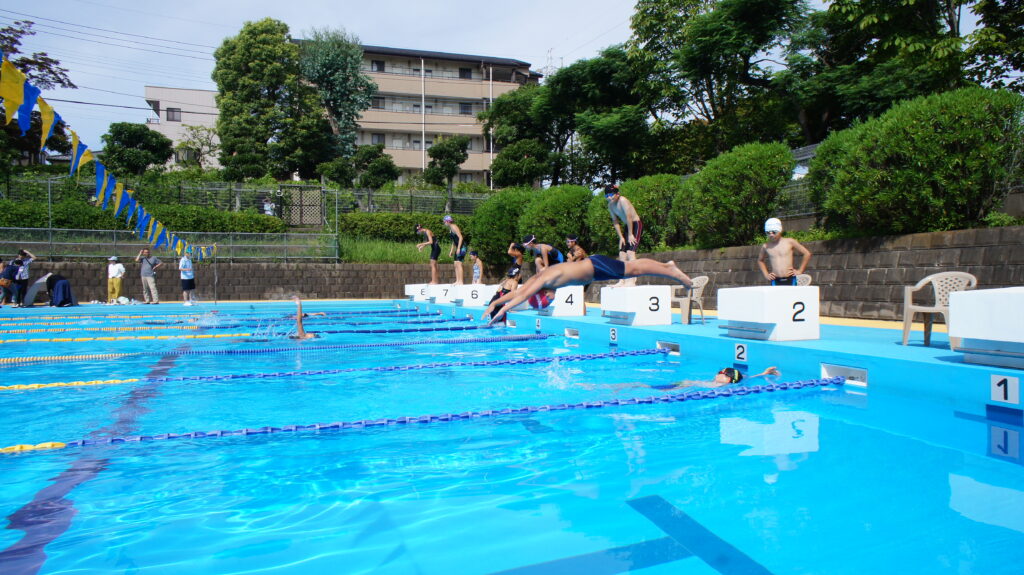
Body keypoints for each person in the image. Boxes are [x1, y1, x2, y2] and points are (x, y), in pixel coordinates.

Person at [483, 255, 692, 324]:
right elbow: (518, 292)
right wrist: (495, 303)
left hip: (595, 266)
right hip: (595, 271)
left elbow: (523, 296)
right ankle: (668, 268)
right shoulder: (538, 280)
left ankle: (669, 269)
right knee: (631, 270)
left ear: (544, 294)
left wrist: (502, 311)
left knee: (633, 269)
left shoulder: (544, 280)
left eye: (550, 300)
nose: (553, 298)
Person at [606, 184, 643, 286]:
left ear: (617, 194)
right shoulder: (610, 205)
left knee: (630, 252)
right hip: (628, 226)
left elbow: (629, 217)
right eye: (606, 196)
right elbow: (615, 221)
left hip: (635, 224)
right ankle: (621, 280)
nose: (609, 197)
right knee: (622, 253)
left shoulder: (623, 200)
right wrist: (621, 237)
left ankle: (632, 279)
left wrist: (630, 234)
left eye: (611, 195)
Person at [757, 218, 812, 286]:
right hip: (775, 280)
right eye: (768, 233)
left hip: (790, 278)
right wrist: (766, 274)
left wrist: (800, 270)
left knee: (791, 293)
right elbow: (760, 260)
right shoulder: (766, 246)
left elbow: (807, 253)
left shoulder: (789, 242)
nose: (771, 235)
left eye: (774, 232)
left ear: (780, 230)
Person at [483, 243, 524, 321]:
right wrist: (510, 309)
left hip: (493, 302)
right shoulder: (514, 282)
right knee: (499, 323)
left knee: (494, 323)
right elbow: (513, 295)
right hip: (498, 304)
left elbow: (509, 252)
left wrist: (511, 245)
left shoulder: (519, 257)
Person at [647, 366, 781, 390]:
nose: (719, 373)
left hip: (684, 387)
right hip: (682, 384)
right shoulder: (722, 383)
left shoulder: (719, 386)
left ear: (728, 379)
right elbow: (748, 378)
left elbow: (744, 379)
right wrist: (763, 373)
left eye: (722, 373)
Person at [443, 215, 467, 285]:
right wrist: (451, 251)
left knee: (459, 263)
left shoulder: (454, 226)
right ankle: (457, 280)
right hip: (458, 247)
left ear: (448, 221)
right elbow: (454, 241)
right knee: (455, 263)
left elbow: (460, 237)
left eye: (444, 221)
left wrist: (459, 248)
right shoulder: (450, 229)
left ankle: (461, 281)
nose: (444, 223)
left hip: (462, 247)